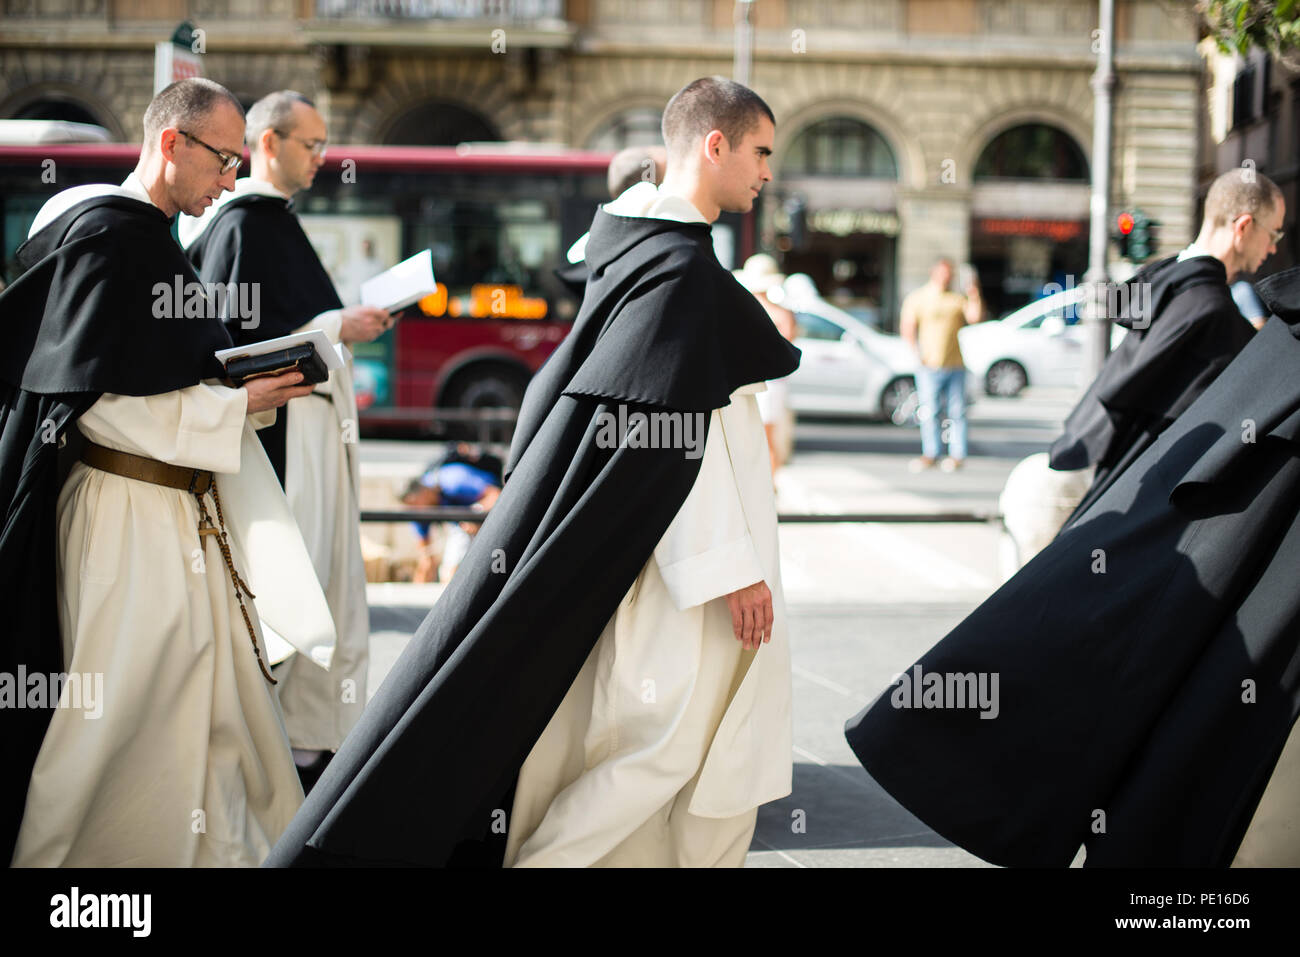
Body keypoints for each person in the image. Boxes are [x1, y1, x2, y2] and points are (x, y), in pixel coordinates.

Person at [265, 76, 800, 868]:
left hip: (658, 558)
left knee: (648, 746)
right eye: (759, 152)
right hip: (687, 569)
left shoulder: (646, 251)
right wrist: (732, 566)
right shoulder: (677, 271)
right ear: (713, 144)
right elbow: (682, 438)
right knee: (664, 748)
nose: (766, 172)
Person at [844, 265, 1300, 867]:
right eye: (1270, 232)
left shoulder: (1189, 300)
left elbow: (1126, 385)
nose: (1274, 244)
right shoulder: (1209, 305)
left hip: (1157, 496)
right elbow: (1132, 386)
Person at [2, 78, 334, 866]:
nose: (230, 179)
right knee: (119, 715)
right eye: (222, 159)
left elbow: (164, 373)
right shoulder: (111, 236)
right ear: (172, 143)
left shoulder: (152, 239)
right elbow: (89, 406)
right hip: (124, 514)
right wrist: (237, 402)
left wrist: (239, 391)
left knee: (207, 709)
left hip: (176, 513)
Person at [181, 91, 390, 793]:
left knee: (320, 589)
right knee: (292, 593)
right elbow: (235, 346)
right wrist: (338, 327)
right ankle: (280, 753)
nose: (323, 159)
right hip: (283, 444)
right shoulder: (245, 225)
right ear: (270, 143)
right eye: (312, 144)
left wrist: (333, 324)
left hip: (308, 437)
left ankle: (305, 744)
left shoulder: (272, 224)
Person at [1050, 169, 1284, 529]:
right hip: (1146, 510)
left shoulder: (1161, 279)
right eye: (1273, 234)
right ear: (1243, 226)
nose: (1273, 248)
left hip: (1110, 484)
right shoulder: (1214, 313)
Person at [901, 258, 983, 472]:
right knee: (930, 411)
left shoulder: (956, 299)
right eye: (944, 273)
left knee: (957, 412)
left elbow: (974, 317)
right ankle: (931, 453)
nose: (947, 278)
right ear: (934, 272)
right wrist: (916, 354)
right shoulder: (919, 298)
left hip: (955, 364)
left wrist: (973, 292)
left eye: (950, 274)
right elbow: (908, 327)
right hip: (929, 364)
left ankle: (957, 455)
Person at [734, 253, 797, 479]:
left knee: (755, 435)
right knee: (767, 435)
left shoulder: (741, 311)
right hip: (771, 381)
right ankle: (769, 481)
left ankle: (766, 481)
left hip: (750, 381)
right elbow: (788, 348)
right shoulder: (781, 313)